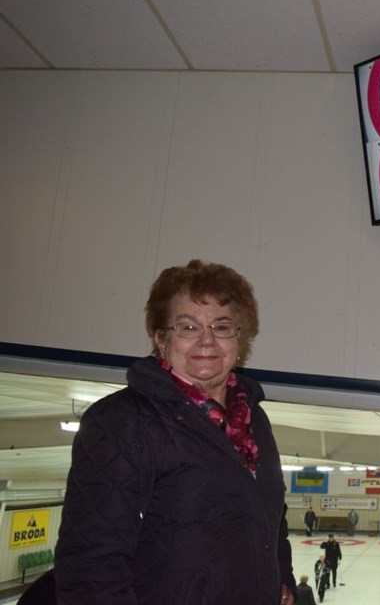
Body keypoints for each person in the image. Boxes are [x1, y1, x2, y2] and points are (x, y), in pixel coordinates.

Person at [54, 259, 296, 604]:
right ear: (160, 339)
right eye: (188, 327)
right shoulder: (122, 421)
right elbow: (92, 563)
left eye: (223, 326)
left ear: (239, 339)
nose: (207, 340)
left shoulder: (253, 419)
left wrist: (280, 577)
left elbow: (272, 517)